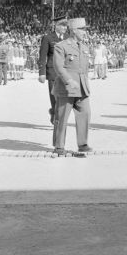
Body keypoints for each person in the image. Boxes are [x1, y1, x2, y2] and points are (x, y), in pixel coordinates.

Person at [52, 18, 92, 157]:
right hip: (66, 88)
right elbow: (58, 66)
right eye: (83, 29)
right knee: (62, 117)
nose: (85, 32)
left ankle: (82, 143)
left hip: (82, 87)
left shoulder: (85, 47)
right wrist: (68, 80)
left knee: (85, 114)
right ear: (74, 30)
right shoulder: (61, 46)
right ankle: (59, 146)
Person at [39, 15, 68, 132]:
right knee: (54, 97)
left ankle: (56, 114)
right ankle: (56, 116)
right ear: (56, 25)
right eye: (62, 25)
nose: (65, 28)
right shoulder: (47, 38)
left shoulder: (68, 37)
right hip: (53, 72)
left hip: (66, 72)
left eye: (66, 26)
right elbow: (42, 56)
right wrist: (42, 72)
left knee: (65, 97)